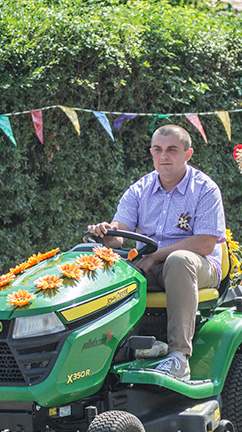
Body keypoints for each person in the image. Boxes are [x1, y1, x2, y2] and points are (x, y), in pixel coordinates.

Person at [88, 125, 226, 381]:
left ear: (188, 154)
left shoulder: (205, 189)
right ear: (151, 153)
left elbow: (206, 244)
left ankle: (179, 357)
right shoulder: (139, 189)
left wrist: (155, 255)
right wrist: (107, 232)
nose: (164, 156)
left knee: (178, 260)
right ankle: (109, 352)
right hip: (150, 264)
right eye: (158, 150)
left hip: (198, 266)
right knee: (105, 267)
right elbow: (120, 235)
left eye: (172, 150)